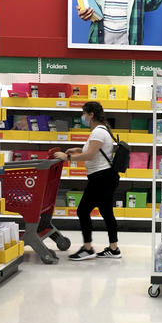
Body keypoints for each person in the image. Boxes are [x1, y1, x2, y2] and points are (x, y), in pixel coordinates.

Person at [52, 102, 121, 260]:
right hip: (106, 177)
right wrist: (77, 150)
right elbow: (95, 151)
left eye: (84, 114)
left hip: (101, 178)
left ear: (91, 115)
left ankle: (88, 249)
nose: (82, 117)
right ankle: (114, 248)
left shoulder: (98, 132)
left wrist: (67, 157)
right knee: (106, 212)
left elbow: (90, 155)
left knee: (82, 211)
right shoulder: (103, 129)